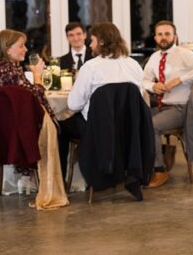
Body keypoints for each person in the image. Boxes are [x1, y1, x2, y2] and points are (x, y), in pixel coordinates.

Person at [60, 22, 145, 184]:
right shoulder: (134, 65)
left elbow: (74, 104)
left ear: (101, 42)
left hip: (97, 128)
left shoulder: (91, 67)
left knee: (59, 127)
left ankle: (62, 182)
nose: (90, 44)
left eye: (92, 40)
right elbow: (137, 99)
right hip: (128, 128)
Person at [141, 20, 193, 188]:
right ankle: (141, 168)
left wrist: (180, 80)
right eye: (160, 34)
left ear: (175, 36)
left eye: (167, 34)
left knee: (151, 126)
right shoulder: (154, 57)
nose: (163, 38)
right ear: (155, 37)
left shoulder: (183, 54)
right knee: (135, 120)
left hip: (181, 109)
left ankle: (159, 170)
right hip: (161, 106)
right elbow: (142, 80)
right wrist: (153, 85)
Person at [0, 29, 57, 121]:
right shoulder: (11, 71)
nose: (26, 49)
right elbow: (35, 99)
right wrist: (37, 75)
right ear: (8, 50)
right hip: (18, 125)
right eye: (21, 46)